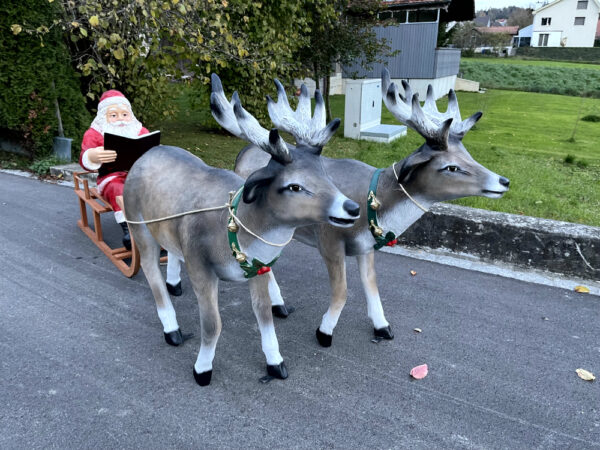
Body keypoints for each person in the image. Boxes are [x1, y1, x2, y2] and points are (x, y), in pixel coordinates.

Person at [79, 90, 148, 250]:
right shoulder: (94, 133)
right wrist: (93, 155)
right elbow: (84, 155)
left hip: (138, 174)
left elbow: (149, 143)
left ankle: (160, 227)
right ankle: (129, 229)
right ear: (104, 116)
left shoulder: (139, 130)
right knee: (118, 189)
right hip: (111, 176)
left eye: (124, 115)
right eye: (114, 116)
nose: (121, 120)